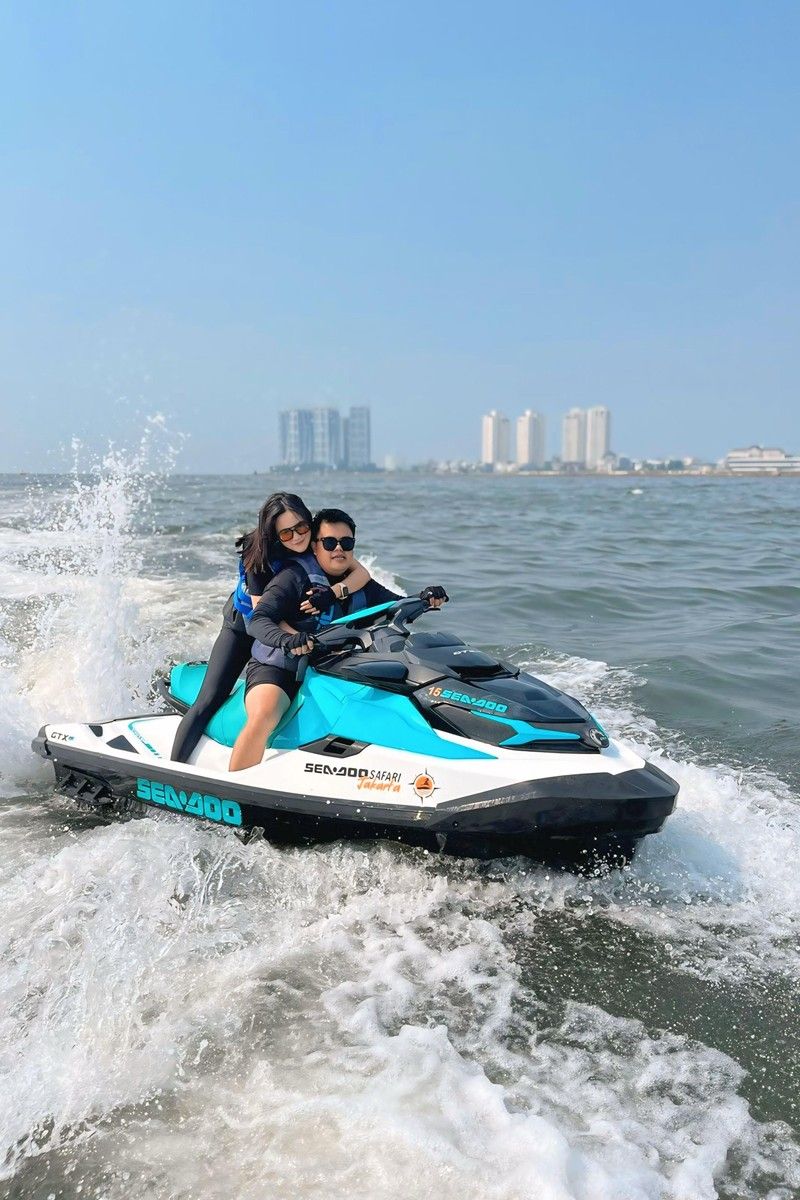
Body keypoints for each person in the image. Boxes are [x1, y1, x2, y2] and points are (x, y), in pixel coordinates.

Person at [229, 507, 448, 771]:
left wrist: (426, 599)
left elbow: (396, 606)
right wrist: (288, 640)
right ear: (314, 546)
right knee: (263, 716)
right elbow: (259, 619)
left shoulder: (361, 585)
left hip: (332, 670)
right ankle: (234, 785)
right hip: (280, 667)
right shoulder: (293, 578)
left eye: (346, 542)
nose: (338, 549)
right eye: (330, 543)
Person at [170, 493, 371, 763]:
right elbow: (260, 616)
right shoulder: (258, 556)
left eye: (301, 527)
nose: (297, 537)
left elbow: (361, 574)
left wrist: (333, 593)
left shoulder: (316, 540)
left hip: (281, 624)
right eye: (286, 533)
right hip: (243, 627)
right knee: (209, 699)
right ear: (274, 534)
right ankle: (174, 770)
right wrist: (296, 639)